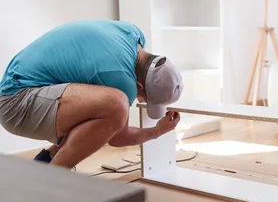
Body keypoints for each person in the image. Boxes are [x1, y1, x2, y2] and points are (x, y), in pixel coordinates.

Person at [0, 20, 182, 169]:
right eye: (145, 98)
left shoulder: (132, 33)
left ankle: (45, 164)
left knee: (98, 113)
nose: (140, 100)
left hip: (22, 87)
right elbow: (119, 138)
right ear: (139, 85)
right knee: (116, 107)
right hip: (16, 102)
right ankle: (49, 185)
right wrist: (158, 131)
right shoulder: (121, 79)